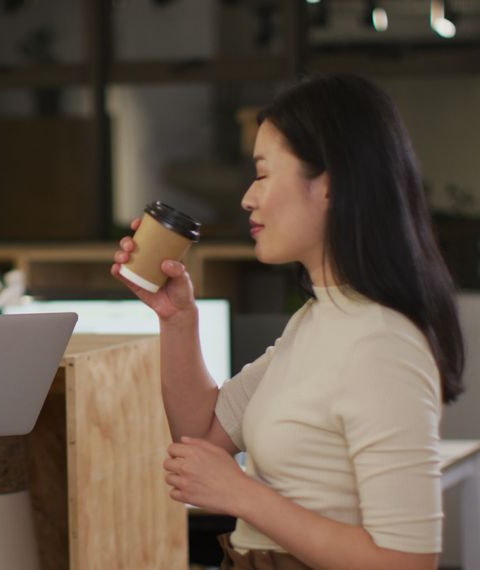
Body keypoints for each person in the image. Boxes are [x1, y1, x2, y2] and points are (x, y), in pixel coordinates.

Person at [112, 74, 464, 569]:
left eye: (263, 174)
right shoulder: (318, 320)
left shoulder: (381, 343)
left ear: (331, 184)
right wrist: (176, 320)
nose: (247, 199)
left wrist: (242, 494)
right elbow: (202, 434)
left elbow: (407, 561)